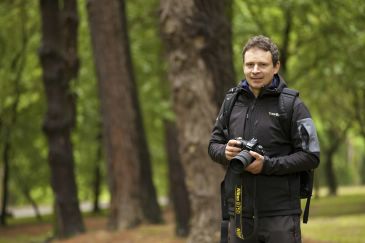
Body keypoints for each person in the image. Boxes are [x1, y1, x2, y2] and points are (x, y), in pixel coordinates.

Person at [208, 35, 320, 243]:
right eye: (250, 64)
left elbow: (311, 156)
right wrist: (224, 152)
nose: (255, 70)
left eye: (262, 64)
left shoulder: (293, 105)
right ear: (243, 66)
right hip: (240, 213)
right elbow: (213, 145)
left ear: (276, 66)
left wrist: (266, 165)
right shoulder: (231, 101)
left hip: (280, 216)